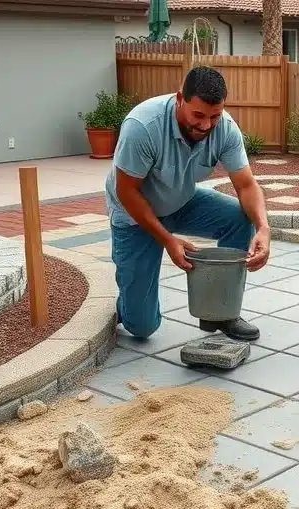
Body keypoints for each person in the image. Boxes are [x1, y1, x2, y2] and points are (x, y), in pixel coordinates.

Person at [105, 66, 270, 342]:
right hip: (135, 215)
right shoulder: (143, 126)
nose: (206, 125)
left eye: (214, 116)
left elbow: (246, 185)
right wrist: (167, 239)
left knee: (239, 216)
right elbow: (127, 191)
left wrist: (264, 227)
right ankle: (129, 304)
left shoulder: (225, 129)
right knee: (141, 327)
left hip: (181, 202)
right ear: (180, 98)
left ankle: (221, 311)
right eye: (198, 115)